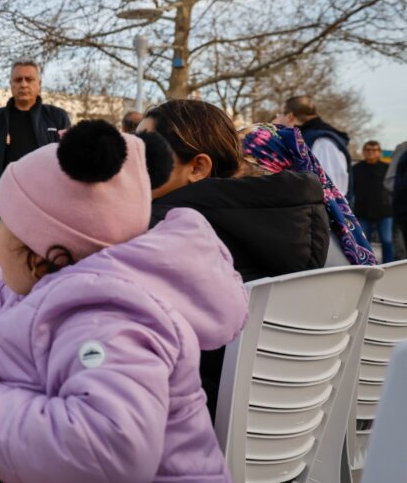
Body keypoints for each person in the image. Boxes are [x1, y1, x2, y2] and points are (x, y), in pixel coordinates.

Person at [0, 120, 246, 483]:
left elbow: (106, 450)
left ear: (38, 251)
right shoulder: (64, 289)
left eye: (3, 222)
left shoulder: (104, 319)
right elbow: (0, 290)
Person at [141, 100, 330, 420]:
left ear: (198, 168)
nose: (130, 160)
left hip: (193, 425)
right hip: (285, 422)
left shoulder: (165, 232)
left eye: (147, 149)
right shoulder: (290, 220)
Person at [143, 100, 329, 281]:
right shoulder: (298, 221)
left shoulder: (158, 229)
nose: (131, 163)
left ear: (198, 168)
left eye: (146, 153)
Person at [244, 123, 377, 267]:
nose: (234, 172)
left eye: (243, 162)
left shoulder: (295, 214)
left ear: (269, 164)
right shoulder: (320, 205)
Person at [0, 60, 70, 235]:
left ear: (39, 84)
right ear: (10, 84)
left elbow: (69, 165)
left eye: (29, 79)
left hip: (45, 211)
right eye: (18, 80)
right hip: (1, 210)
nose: (23, 84)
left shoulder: (57, 117)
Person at [275, 95, 352, 195]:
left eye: (281, 114)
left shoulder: (323, 142)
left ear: (290, 116)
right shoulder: (305, 138)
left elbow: (332, 190)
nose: (280, 118)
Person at [354, 140, 395, 263]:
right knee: (362, 242)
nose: (371, 152)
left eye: (374, 150)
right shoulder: (356, 168)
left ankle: (390, 267)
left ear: (379, 152)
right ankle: (366, 265)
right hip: (362, 211)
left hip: (385, 212)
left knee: (387, 241)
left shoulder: (387, 168)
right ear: (363, 152)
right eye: (368, 150)